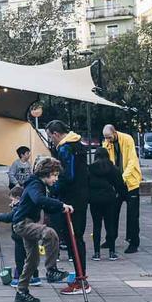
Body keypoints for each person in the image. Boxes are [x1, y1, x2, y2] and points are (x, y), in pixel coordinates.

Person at [3, 156, 72, 302]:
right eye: (54, 175)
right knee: (49, 233)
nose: (56, 179)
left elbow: (44, 205)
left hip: (27, 223)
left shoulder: (38, 185)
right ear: (46, 173)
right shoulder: (35, 184)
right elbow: (38, 200)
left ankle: (21, 292)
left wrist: (60, 209)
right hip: (22, 224)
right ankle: (51, 270)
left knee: (32, 260)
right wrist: (60, 205)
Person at [45, 121, 89, 290]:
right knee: (76, 238)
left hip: (71, 198)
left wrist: (53, 188)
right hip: (82, 196)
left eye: (50, 137)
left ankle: (80, 279)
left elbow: (67, 176)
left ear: (56, 134)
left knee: (73, 239)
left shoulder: (65, 148)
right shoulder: (78, 144)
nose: (51, 140)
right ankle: (80, 276)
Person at [102, 124, 143, 254]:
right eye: (105, 137)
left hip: (131, 183)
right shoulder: (106, 144)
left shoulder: (127, 139)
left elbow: (132, 161)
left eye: (109, 137)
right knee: (112, 212)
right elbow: (108, 163)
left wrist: (122, 178)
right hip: (117, 184)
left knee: (132, 215)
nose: (107, 140)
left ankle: (133, 242)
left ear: (115, 133)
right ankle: (110, 238)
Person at [88, 147, 128, 261]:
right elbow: (120, 185)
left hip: (95, 201)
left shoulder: (90, 169)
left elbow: (86, 184)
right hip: (110, 200)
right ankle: (112, 252)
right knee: (110, 225)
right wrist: (121, 196)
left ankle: (96, 253)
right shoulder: (113, 169)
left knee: (96, 226)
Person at [0, 185, 27, 284]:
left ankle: (21, 279)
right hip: (25, 236)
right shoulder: (24, 205)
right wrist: (14, 206)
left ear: (18, 198)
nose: (11, 202)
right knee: (29, 257)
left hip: (19, 236)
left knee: (19, 259)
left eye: (12, 200)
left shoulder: (18, 208)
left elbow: (9, 217)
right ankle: (34, 277)